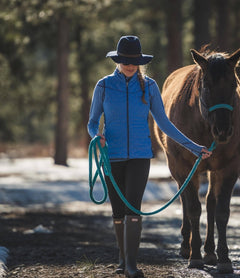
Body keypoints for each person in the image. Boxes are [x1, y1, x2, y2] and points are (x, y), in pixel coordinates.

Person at [87, 35, 212, 278]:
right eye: (125, 61)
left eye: (134, 61)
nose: (130, 65)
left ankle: (132, 265)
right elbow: (92, 122)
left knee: (133, 209)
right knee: (118, 212)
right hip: (111, 157)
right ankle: (122, 260)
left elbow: (164, 124)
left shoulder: (150, 86)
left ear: (140, 62)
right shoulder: (103, 86)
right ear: (117, 60)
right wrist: (96, 136)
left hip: (140, 156)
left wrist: (194, 147)